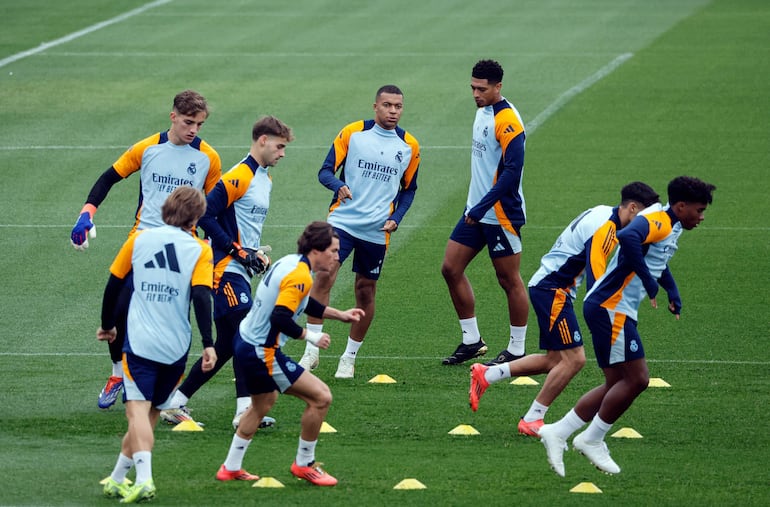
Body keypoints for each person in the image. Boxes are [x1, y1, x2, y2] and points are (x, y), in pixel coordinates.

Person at [539, 176, 716, 477]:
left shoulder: (668, 225)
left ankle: (558, 431)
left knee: (616, 383)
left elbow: (657, 257)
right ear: (681, 206)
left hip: (610, 307)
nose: (701, 218)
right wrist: (648, 282)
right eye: (698, 211)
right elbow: (630, 237)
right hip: (611, 308)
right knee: (637, 379)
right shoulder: (658, 220)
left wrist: (670, 290)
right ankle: (591, 438)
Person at [469, 182, 660, 438]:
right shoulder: (606, 229)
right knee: (575, 359)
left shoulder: (604, 212)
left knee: (554, 360)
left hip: (550, 287)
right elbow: (598, 281)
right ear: (633, 208)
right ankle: (532, 419)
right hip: (553, 290)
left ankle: (487, 374)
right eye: (644, 219)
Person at [70, 90, 222, 409]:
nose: (193, 129)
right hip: (142, 240)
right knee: (119, 308)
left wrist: (217, 249)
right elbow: (108, 178)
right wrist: (87, 213)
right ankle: (117, 374)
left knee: (178, 312)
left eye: (199, 124)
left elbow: (214, 209)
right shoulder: (148, 148)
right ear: (173, 117)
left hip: (183, 248)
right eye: (188, 122)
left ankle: (169, 389)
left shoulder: (208, 158)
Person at [160, 116, 294, 430]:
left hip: (239, 269)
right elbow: (204, 214)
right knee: (249, 334)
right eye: (279, 146)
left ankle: (174, 403)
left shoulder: (265, 179)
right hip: (223, 270)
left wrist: (254, 253)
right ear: (262, 140)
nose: (282, 154)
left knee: (225, 346)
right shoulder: (240, 175)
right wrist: (236, 251)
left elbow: (244, 226)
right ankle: (244, 412)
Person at [216, 221, 364, 486]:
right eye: (332, 250)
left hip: (246, 342)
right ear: (316, 250)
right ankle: (304, 463)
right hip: (262, 351)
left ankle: (230, 467)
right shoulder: (300, 276)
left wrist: (339, 315)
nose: (336, 256)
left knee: (262, 404)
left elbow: (301, 302)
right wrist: (312, 336)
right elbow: (281, 318)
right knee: (321, 397)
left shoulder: (291, 263)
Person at [98, 186, 217, 502]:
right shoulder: (200, 250)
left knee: (135, 412)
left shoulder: (139, 239)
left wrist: (108, 325)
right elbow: (202, 297)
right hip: (177, 346)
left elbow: (113, 285)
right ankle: (117, 477)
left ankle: (146, 480)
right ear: (196, 217)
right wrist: (208, 343)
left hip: (140, 343)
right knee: (149, 415)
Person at [296, 85, 421, 379]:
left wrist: (397, 218)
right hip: (343, 221)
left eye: (398, 106)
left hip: (378, 230)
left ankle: (348, 358)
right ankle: (311, 350)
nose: (393, 111)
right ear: (375, 106)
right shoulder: (352, 133)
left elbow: (409, 190)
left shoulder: (409, 146)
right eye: (388, 105)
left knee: (365, 290)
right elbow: (325, 171)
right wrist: (337, 185)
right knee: (324, 275)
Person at [441, 59, 529, 366]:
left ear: (498, 87)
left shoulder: (508, 121)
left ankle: (517, 349)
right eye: (473, 88)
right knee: (450, 268)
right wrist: (475, 207)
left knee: (509, 279)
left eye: (482, 88)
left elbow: (512, 173)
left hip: (501, 214)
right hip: (475, 212)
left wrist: (481, 207)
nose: (476, 94)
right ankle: (472, 341)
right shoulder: (482, 111)